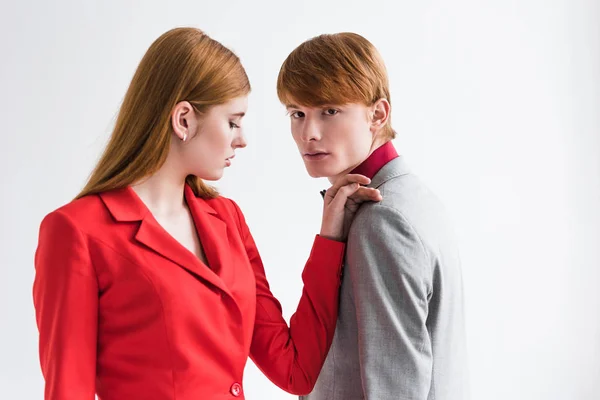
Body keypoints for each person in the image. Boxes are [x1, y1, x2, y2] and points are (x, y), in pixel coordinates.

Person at [32, 27, 382, 400]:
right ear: (183, 119)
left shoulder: (227, 219)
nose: (242, 138)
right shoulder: (77, 231)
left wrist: (329, 239)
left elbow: (294, 370)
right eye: (232, 121)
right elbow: (68, 390)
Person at [277, 32, 469, 400]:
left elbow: (395, 385)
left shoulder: (382, 218)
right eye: (297, 113)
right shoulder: (413, 194)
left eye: (329, 111)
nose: (308, 133)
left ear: (378, 114)